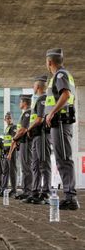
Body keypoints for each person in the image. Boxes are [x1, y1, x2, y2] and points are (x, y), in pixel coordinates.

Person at [45, 48, 79, 210]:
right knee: (61, 158)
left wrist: (51, 112)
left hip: (60, 122)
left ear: (49, 62)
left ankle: (70, 197)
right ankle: (68, 195)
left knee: (64, 158)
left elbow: (65, 95)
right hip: (58, 123)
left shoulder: (60, 75)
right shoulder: (61, 75)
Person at [24, 75, 51, 204]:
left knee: (43, 164)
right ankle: (35, 191)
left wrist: (29, 129)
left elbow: (39, 119)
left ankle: (45, 193)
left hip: (42, 135)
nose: (33, 87)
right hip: (36, 137)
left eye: (34, 85)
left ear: (38, 86)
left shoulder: (43, 99)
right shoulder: (38, 99)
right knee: (35, 165)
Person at [8, 95, 32, 200]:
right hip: (22, 143)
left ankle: (28, 191)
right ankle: (25, 190)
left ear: (24, 103)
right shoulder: (24, 114)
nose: (19, 104)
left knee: (27, 167)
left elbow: (23, 130)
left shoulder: (27, 113)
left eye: (20, 102)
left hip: (26, 143)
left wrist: (14, 138)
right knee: (25, 168)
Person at [0, 112, 17, 197]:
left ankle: (14, 190)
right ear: (4, 119)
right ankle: (4, 189)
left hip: (11, 152)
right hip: (6, 153)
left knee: (12, 172)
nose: (8, 120)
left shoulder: (13, 127)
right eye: (7, 118)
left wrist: (10, 153)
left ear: (12, 119)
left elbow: (14, 141)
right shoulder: (6, 128)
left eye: (10, 118)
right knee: (5, 172)